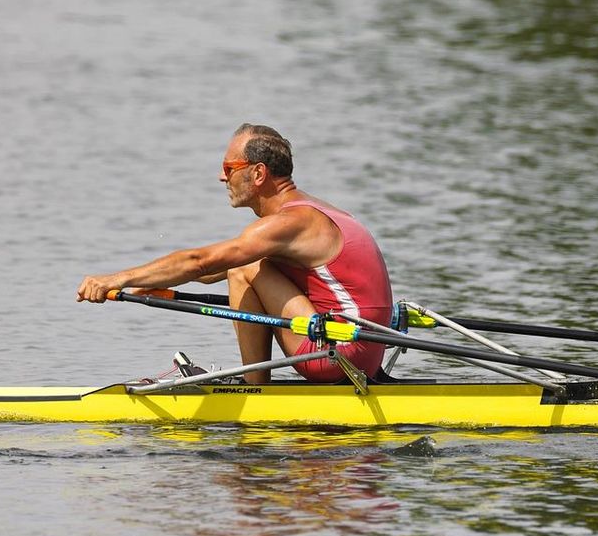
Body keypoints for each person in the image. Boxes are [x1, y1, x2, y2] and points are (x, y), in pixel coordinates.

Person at [76, 124, 393, 383]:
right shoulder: (314, 212)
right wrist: (156, 282)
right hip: (363, 352)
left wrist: (115, 280)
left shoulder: (292, 222)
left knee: (247, 268)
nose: (222, 177)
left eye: (229, 168)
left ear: (258, 174)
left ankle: (254, 387)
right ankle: (255, 383)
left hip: (338, 353)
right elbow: (211, 270)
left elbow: (200, 263)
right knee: (244, 265)